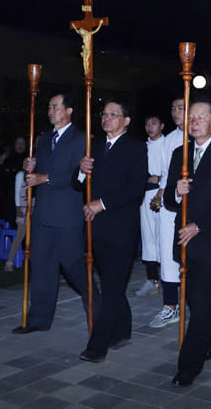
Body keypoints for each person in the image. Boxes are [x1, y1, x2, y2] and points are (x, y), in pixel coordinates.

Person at [164, 99, 211, 387]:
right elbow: (172, 202)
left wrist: (200, 225)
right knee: (198, 297)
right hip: (183, 237)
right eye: (191, 116)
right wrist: (176, 190)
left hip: (209, 240)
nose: (193, 121)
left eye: (200, 117)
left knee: (198, 299)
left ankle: (188, 365)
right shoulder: (178, 154)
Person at [14, 90, 97, 334]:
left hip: (67, 214)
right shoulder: (42, 139)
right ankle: (38, 319)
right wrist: (30, 166)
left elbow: (78, 176)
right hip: (42, 215)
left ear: (69, 111)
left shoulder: (82, 139)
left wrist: (45, 178)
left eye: (55, 107)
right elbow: (36, 171)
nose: (50, 111)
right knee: (41, 267)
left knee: (74, 268)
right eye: (49, 107)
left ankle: (98, 311)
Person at [76, 100, 147, 362]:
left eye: (113, 115)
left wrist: (102, 204)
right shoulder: (93, 146)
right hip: (94, 228)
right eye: (104, 114)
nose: (107, 118)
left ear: (126, 121)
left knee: (112, 287)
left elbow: (136, 188)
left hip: (120, 229)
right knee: (111, 284)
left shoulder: (136, 148)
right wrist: (82, 171)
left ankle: (98, 345)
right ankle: (122, 330)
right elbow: (77, 182)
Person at [149, 98, 186, 328]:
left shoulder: (198, 136)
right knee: (167, 252)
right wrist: (159, 196)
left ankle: (203, 294)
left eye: (180, 107)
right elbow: (164, 174)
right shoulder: (169, 140)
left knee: (195, 252)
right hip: (170, 203)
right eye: (172, 108)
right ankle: (171, 305)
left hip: (193, 203)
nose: (175, 112)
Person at [135, 114, 164, 296]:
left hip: (163, 193)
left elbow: (176, 169)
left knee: (164, 236)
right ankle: (152, 280)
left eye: (153, 123)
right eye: (146, 123)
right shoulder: (142, 147)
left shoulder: (168, 144)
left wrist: (160, 179)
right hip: (145, 195)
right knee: (149, 238)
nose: (149, 126)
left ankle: (172, 279)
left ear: (161, 125)